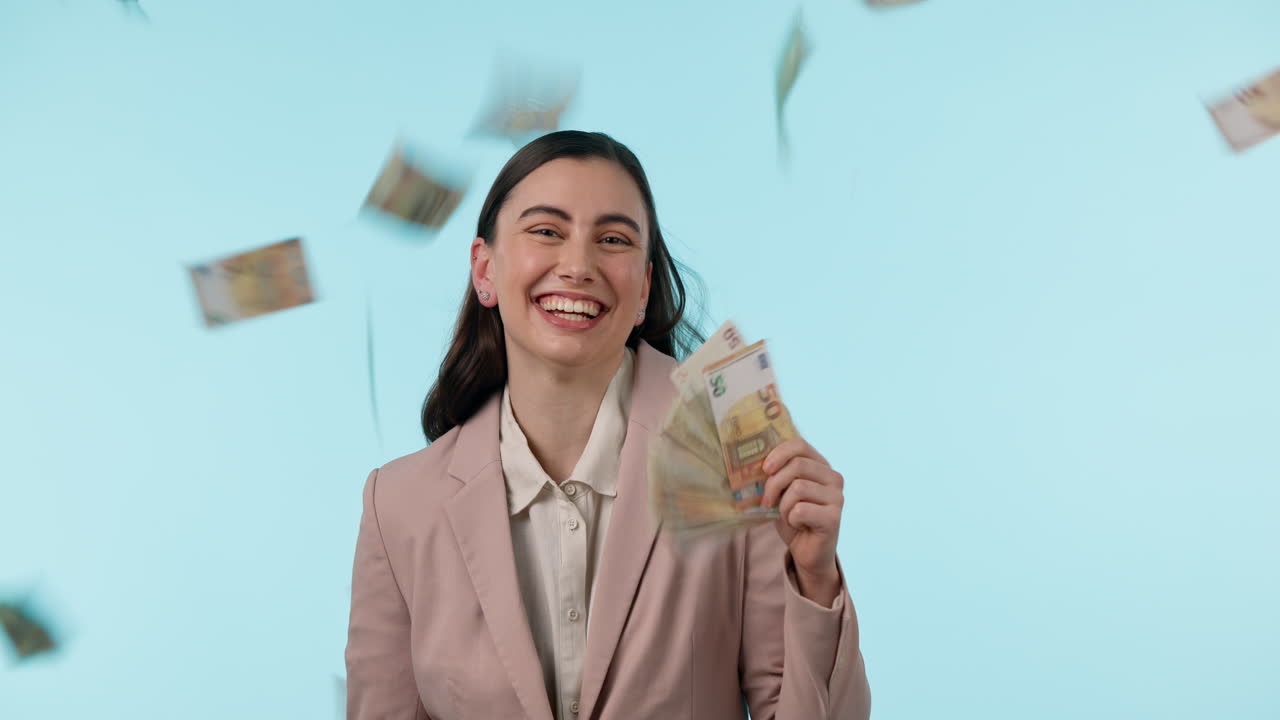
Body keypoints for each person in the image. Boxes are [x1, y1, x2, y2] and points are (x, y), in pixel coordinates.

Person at [345, 130, 871, 719]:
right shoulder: (398, 505)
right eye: (547, 231)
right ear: (484, 269)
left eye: (613, 239)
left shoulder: (738, 454)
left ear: (643, 287)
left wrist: (815, 579)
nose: (578, 266)